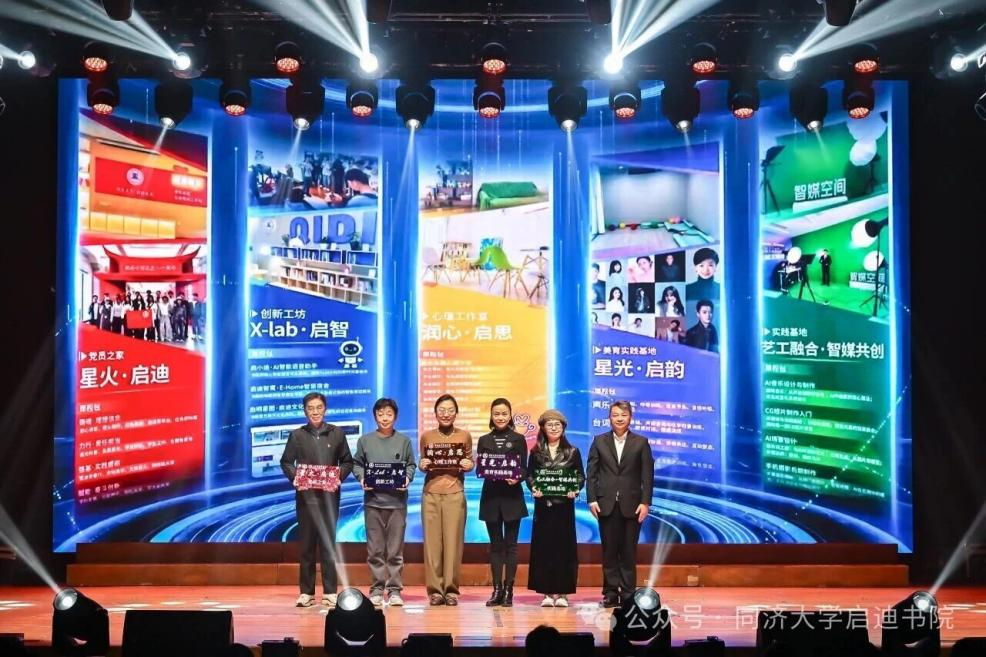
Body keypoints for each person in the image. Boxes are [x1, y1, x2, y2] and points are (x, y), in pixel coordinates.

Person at [280, 392, 354, 607]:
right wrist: (296, 478)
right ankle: (306, 592)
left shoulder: (337, 434)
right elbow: (286, 462)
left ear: (325, 409)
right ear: (305, 411)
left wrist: (337, 478)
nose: (315, 412)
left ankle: (330, 592)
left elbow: (347, 462)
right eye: (310, 408)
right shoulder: (297, 435)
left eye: (319, 407)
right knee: (306, 547)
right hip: (306, 500)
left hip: (329, 499)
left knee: (329, 546)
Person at [587, 401, 654, 608]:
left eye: (623, 415)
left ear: (630, 418)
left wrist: (645, 502)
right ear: (609, 417)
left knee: (628, 551)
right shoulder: (599, 441)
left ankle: (627, 593)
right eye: (615, 415)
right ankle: (609, 593)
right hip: (605, 504)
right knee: (609, 551)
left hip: (632, 505)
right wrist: (591, 499)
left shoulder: (641, 442)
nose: (619, 419)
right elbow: (592, 473)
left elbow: (647, 475)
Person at [352, 398, 416, 607]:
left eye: (389, 414)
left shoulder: (404, 441)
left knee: (395, 551)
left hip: (397, 503)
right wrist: (362, 478)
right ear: (375, 416)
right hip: (373, 503)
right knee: (375, 551)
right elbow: (357, 464)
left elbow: (411, 465)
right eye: (380, 414)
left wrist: (407, 478)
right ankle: (377, 590)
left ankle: (395, 590)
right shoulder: (365, 441)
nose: (385, 418)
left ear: (395, 416)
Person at [419, 394, 474, 606]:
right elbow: (423, 461)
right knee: (432, 545)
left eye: (450, 410)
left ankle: (451, 591)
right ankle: (435, 591)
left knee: (453, 544)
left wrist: (469, 465)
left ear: (456, 413)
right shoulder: (427, 437)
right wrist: (422, 464)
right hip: (430, 494)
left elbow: (469, 461)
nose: (446, 414)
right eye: (442, 410)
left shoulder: (464, 436)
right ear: (435, 413)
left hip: (455, 493)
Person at [527, 409, 584, 608]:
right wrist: (534, 487)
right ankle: (546, 592)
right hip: (543, 507)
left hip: (564, 508)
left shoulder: (572, 451)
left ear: (563, 428)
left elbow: (580, 476)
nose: (553, 428)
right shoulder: (536, 452)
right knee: (544, 549)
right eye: (549, 425)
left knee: (564, 549)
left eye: (557, 425)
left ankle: (563, 593)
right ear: (543, 428)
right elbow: (530, 475)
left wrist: (575, 489)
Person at [476, 398, 528, 607]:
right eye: (496, 414)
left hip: (512, 498)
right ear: (491, 415)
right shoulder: (483, 440)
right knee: (496, 546)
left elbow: (524, 469)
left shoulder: (519, 439)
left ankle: (509, 590)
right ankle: (497, 590)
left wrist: (518, 477)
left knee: (511, 546)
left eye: (504, 413)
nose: (500, 417)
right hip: (491, 497)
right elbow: (480, 468)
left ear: (510, 415)